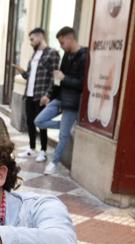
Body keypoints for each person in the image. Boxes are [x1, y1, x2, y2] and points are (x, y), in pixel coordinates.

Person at [35, 26, 87, 175]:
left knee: (63, 136)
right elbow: (59, 80)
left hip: (72, 102)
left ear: (70, 39)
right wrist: (49, 96)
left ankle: (54, 163)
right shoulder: (66, 55)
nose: (61, 46)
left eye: (62, 42)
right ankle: (67, 126)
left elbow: (82, 84)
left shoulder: (84, 56)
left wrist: (65, 78)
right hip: (59, 98)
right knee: (39, 121)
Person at [14, 28, 59, 162]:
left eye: (32, 39)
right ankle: (32, 149)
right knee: (30, 122)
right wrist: (22, 71)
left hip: (41, 96)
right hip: (29, 94)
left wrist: (48, 95)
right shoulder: (34, 55)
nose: (31, 42)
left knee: (41, 123)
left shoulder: (52, 53)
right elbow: (30, 75)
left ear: (40, 37)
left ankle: (43, 151)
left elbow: (54, 77)